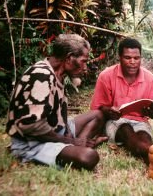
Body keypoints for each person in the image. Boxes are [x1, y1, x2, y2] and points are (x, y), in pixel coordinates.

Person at [6, 34, 108, 170]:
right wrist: (70, 141)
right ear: (69, 58)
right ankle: (77, 145)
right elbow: (32, 126)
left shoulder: (57, 73)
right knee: (89, 157)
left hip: (55, 130)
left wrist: (69, 134)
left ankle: (79, 143)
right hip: (32, 142)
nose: (85, 68)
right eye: (83, 61)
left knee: (98, 115)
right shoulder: (42, 75)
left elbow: (59, 112)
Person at [90, 38, 153, 180]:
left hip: (141, 121)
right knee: (126, 130)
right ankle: (151, 153)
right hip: (115, 121)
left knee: (144, 135)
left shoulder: (150, 78)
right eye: (127, 57)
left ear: (141, 58)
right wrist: (109, 111)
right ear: (119, 57)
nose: (132, 62)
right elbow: (98, 107)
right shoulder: (106, 76)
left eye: (136, 58)